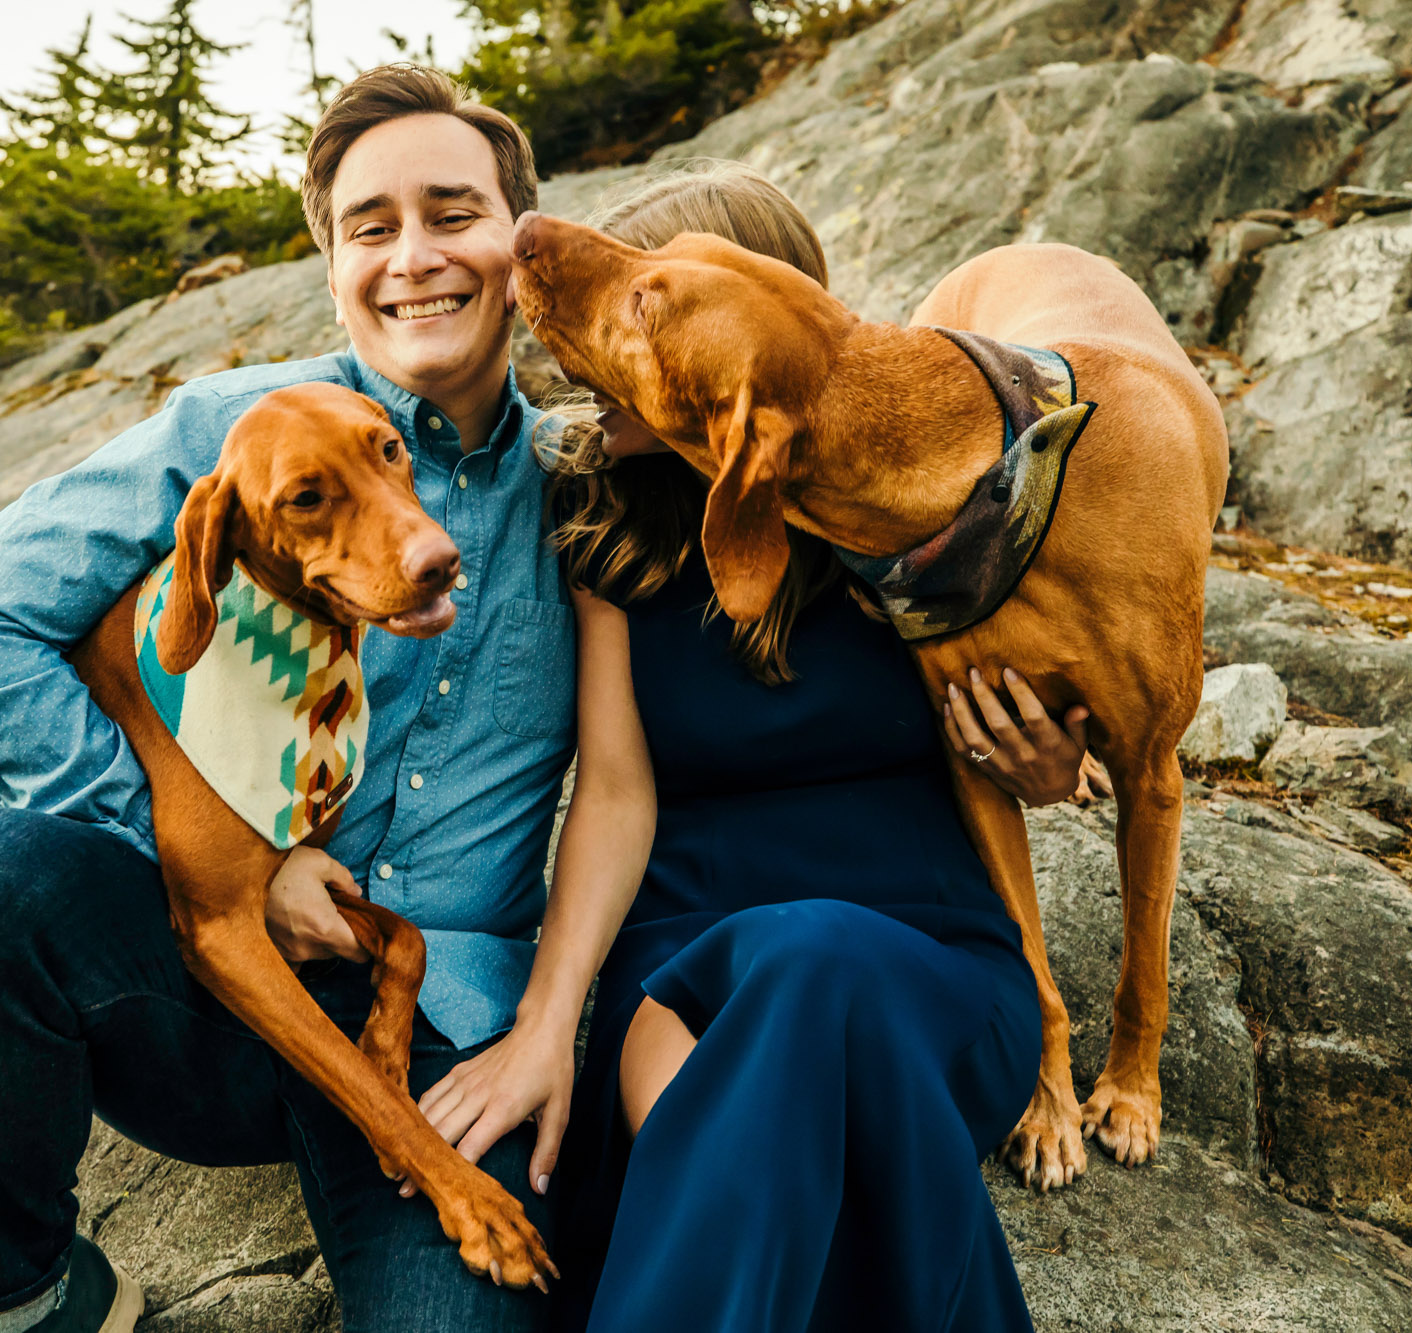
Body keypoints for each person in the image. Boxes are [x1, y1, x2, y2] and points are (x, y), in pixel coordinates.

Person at [0, 66, 574, 1333]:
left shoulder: (589, 478)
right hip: (200, 1004)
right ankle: (21, 1296)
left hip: (448, 1028)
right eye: (371, 227)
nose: (414, 257)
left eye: (453, 212)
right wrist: (200, 854)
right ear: (330, 269)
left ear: (518, 236)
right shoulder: (223, 434)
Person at [414, 161, 1096, 1331]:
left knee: (810, 968)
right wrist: (544, 1023)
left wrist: (1044, 765)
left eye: (640, 309)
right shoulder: (604, 525)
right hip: (681, 969)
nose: (583, 359)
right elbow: (616, 796)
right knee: (774, 1076)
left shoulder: (919, 515)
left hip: (925, 966)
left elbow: (1077, 734)